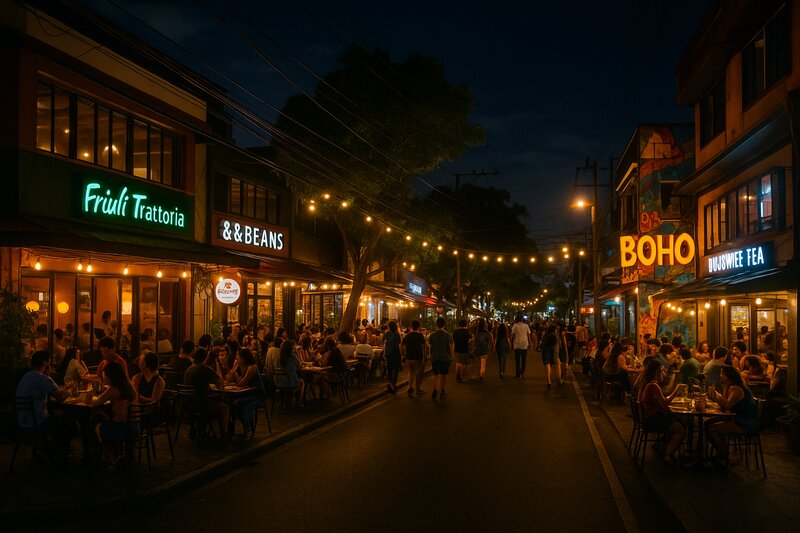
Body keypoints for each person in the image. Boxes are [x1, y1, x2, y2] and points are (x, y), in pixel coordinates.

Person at [15, 350, 72, 463]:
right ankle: (57, 455)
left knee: (55, 416)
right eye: (50, 361)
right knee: (68, 421)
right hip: (37, 423)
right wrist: (69, 388)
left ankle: (46, 450)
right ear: (45, 362)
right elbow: (61, 396)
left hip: (22, 422)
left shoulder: (26, 376)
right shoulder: (42, 379)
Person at [707, 365, 759, 466]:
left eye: (722, 374)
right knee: (707, 423)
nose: (720, 376)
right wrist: (723, 389)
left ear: (729, 376)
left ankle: (722, 456)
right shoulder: (730, 386)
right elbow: (724, 406)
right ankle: (720, 455)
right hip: (737, 419)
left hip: (745, 422)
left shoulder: (737, 389)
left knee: (711, 429)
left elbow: (727, 406)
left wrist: (716, 396)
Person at [637, 359, 687, 466]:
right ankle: (668, 454)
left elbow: (663, 398)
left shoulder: (647, 383)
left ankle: (663, 447)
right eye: (661, 370)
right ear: (656, 371)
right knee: (681, 429)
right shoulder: (653, 386)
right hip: (652, 420)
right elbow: (665, 403)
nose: (663, 372)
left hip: (648, 418)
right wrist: (677, 388)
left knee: (678, 421)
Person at [90, 361, 137, 465]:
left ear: (111, 376)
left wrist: (89, 395)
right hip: (135, 426)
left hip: (122, 428)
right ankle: (113, 456)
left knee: (96, 425)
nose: (104, 378)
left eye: (105, 376)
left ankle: (108, 459)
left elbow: (95, 402)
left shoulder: (113, 389)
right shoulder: (130, 386)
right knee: (104, 420)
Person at [184, 347, 229, 436]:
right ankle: (224, 432)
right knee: (224, 407)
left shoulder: (189, 369)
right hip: (202, 405)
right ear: (205, 358)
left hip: (187, 405)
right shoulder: (206, 369)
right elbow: (220, 383)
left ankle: (199, 428)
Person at [226, 349, 265, 437]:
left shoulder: (252, 367)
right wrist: (233, 372)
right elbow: (239, 382)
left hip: (257, 395)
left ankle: (248, 429)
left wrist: (235, 381)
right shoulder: (242, 366)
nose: (236, 358)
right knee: (232, 402)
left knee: (241, 404)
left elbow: (242, 383)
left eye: (238, 357)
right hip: (248, 393)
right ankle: (240, 427)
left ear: (243, 358)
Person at [428, 317, 454, 400]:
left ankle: (435, 388)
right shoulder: (448, 335)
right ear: (444, 325)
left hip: (435, 358)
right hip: (445, 358)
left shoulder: (432, 335)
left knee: (436, 375)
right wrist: (452, 357)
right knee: (444, 375)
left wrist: (430, 356)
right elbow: (451, 348)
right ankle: (442, 390)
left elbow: (430, 348)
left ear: (436, 324)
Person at [274, 340, 304, 407]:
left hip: (278, 382)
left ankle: (289, 401)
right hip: (290, 382)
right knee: (302, 382)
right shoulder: (292, 356)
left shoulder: (278, 356)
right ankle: (298, 402)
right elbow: (299, 366)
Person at [401, 320, 427, 397]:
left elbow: (402, 346)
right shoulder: (420, 336)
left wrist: (403, 355)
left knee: (410, 373)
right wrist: (425, 356)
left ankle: (410, 388)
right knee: (419, 374)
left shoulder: (407, 336)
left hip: (409, 357)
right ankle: (417, 389)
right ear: (419, 327)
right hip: (418, 357)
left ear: (411, 327)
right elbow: (424, 347)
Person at [383, 320, 403, 394]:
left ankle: (391, 383)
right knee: (395, 369)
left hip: (388, 353)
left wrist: (384, 353)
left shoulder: (387, 334)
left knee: (390, 368)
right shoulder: (397, 334)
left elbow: (385, 344)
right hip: (396, 353)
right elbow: (399, 345)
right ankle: (393, 385)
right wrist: (401, 354)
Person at [510, 315, 531, 379]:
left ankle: (518, 374)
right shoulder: (526, 326)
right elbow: (528, 335)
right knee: (524, 360)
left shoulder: (515, 326)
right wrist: (530, 344)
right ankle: (522, 373)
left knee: (517, 360)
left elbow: (512, 335)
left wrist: (511, 343)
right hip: (524, 344)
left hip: (517, 344)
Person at [473, 318, 493, 383]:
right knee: (483, 363)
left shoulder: (477, 332)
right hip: (484, 349)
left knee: (478, 363)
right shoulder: (487, 332)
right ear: (485, 325)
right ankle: (481, 376)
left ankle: (479, 374)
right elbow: (490, 341)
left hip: (478, 349)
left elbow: (475, 340)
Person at [452, 319, 471, 383]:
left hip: (457, 349)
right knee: (463, 363)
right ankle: (461, 377)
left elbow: (453, 340)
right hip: (464, 349)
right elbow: (469, 341)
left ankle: (457, 375)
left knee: (458, 362)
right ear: (466, 324)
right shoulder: (467, 332)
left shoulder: (455, 331)